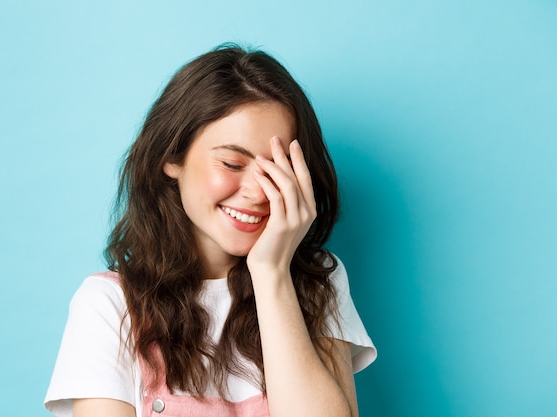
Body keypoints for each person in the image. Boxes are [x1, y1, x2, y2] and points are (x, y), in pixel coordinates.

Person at [44, 44, 376, 417]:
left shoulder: (320, 281)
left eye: (276, 169)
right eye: (232, 163)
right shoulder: (109, 305)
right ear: (172, 157)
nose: (256, 193)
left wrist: (271, 274)